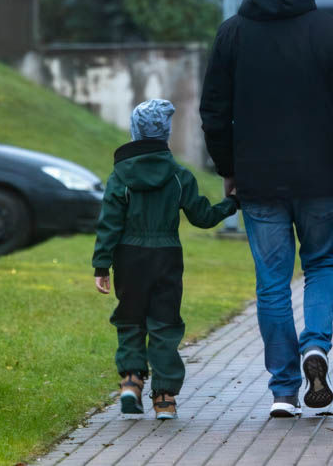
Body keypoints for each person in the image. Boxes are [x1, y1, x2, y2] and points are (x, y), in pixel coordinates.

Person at [200, 0, 333, 418]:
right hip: (317, 178)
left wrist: (228, 169)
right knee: (322, 264)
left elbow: (214, 113)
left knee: (272, 283)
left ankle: (283, 390)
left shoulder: (232, 34)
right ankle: (315, 346)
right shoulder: (330, 31)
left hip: (258, 181)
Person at [92, 98, 238, 420]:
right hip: (167, 257)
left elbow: (109, 223)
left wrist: (101, 265)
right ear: (166, 134)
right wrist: (231, 203)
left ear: (133, 132)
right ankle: (165, 398)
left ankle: (131, 382)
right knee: (165, 323)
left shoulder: (120, 176)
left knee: (130, 318)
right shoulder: (178, 176)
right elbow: (202, 217)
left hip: (129, 257)